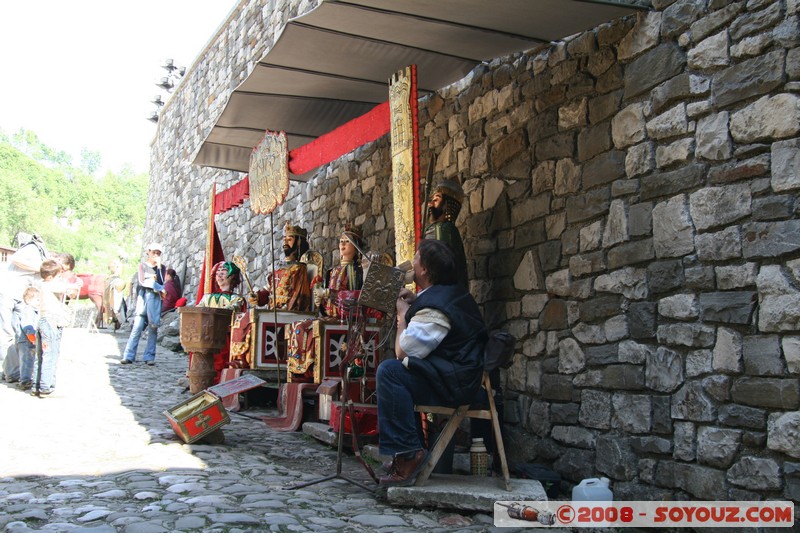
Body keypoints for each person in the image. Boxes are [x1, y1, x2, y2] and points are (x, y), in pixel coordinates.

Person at [376, 239, 487, 486]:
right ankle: (408, 450)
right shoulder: (448, 294)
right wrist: (417, 302)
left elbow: (402, 352)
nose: (412, 262)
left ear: (424, 269)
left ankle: (408, 454)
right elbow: (434, 314)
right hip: (452, 376)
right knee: (398, 374)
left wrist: (403, 316)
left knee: (391, 371)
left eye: (415, 258)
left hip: (455, 385)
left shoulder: (438, 307)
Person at [0, 234, 47, 383]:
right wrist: (39, 269)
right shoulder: (32, 248)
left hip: (21, 296)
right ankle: (10, 371)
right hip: (8, 292)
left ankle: (12, 370)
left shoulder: (41, 253)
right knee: (6, 332)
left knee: (19, 334)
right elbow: (16, 259)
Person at [33, 259, 81, 396]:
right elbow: (67, 288)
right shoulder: (49, 286)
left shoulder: (41, 285)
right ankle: (46, 387)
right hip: (51, 322)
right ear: (50, 276)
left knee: (41, 355)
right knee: (50, 354)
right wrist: (75, 284)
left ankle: (36, 385)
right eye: (58, 275)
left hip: (43, 321)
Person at [196, 261, 245, 382]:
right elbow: (198, 310)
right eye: (217, 273)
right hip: (207, 335)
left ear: (231, 276)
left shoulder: (236, 299)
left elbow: (232, 310)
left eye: (223, 272)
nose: (219, 275)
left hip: (225, 337)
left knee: (222, 361)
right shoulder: (207, 297)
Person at [248, 222, 312, 312]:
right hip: (274, 313)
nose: (285, 242)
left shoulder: (299, 269)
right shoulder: (278, 269)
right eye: (284, 239)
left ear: (299, 242)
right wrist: (257, 297)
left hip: (288, 314)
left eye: (289, 239)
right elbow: (268, 291)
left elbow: (299, 296)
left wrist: (284, 310)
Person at [121, 243, 167, 365]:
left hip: (155, 301)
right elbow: (142, 281)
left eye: (158, 253)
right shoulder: (142, 266)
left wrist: (158, 269)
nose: (156, 255)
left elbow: (162, 282)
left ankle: (149, 357)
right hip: (143, 299)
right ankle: (128, 355)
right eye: (154, 252)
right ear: (149, 252)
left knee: (153, 327)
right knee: (137, 327)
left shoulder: (161, 268)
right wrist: (157, 286)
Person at [424, 179, 468, 288]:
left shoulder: (445, 230)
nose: (430, 204)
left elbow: (438, 266)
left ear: (446, 205)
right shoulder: (433, 228)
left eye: (436, 200)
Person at [314, 225, 364, 319]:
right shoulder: (331, 271)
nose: (343, 244)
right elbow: (327, 301)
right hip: (330, 316)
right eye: (341, 241)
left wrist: (326, 292)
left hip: (347, 319)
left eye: (347, 241)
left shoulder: (357, 271)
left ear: (356, 247)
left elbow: (354, 297)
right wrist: (320, 301)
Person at [15, 286, 41, 391]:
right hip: (26, 341)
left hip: (27, 340)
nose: (39, 302)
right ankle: (25, 381)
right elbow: (28, 327)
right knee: (26, 360)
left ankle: (26, 379)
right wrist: (33, 340)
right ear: (29, 300)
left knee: (29, 360)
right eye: (37, 299)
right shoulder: (28, 311)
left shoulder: (33, 310)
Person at [103, 260, 128, 330]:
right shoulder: (110, 278)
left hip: (116, 294)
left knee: (119, 307)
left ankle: (120, 322)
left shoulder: (116, 279)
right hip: (110, 296)